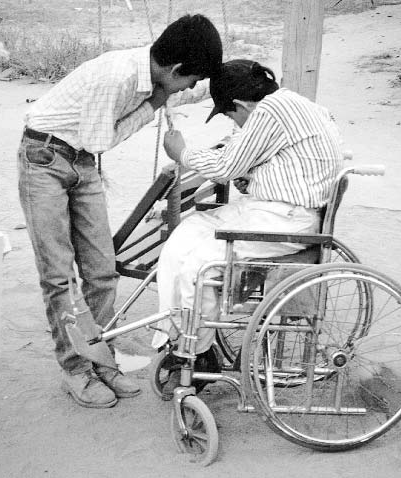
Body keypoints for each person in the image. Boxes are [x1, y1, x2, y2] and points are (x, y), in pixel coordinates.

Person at [18, 14, 223, 408]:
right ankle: (76, 369)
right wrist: (154, 105)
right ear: (176, 69)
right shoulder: (117, 77)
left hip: (79, 162)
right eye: (192, 80)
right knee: (59, 275)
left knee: (100, 268)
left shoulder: (154, 75)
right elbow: (100, 140)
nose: (191, 87)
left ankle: (101, 359)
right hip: (44, 159)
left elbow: (179, 94)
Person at [155, 59, 344, 398]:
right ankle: (179, 338)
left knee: (195, 265)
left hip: (283, 218)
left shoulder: (271, 110)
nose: (234, 122)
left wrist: (183, 153)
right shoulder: (296, 105)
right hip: (276, 210)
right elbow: (257, 158)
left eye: (230, 115)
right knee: (185, 234)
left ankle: (196, 353)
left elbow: (227, 166)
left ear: (241, 106)